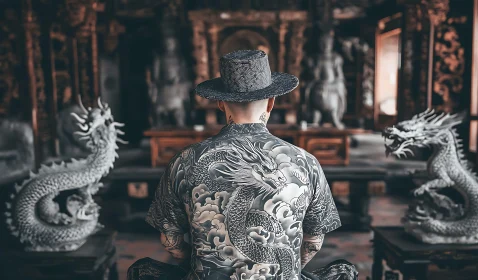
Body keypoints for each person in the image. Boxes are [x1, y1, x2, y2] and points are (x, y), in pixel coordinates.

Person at [128, 50, 358, 280]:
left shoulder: (185, 160)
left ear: (220, 103)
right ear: (271, 103)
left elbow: (170, 240)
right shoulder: (305, 162)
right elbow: (314, 242)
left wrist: (205, 266)